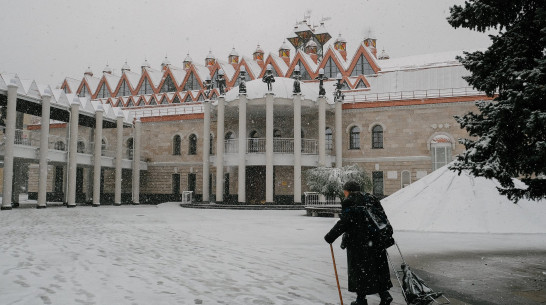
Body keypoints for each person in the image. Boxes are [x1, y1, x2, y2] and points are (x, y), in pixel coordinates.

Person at [324, 181, 393, 305]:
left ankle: (361, 300)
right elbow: (383, 217)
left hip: (359, 244)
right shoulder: (371, 198)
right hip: (377, 241)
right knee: (378, 269)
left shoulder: (350, 201)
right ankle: (385, 295)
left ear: (348, 191)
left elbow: (345, 222)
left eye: (344, 191)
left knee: (360, 272)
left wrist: (330, 236)